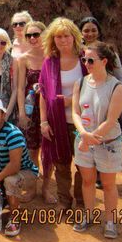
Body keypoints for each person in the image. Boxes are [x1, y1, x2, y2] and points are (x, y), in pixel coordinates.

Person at [72, 42, 122, 239]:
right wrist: (83, 135)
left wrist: (89, 138)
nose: (86, 63)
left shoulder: (116, 87)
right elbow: (76, 112)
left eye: (91, 60)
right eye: (84, 59)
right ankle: (88, 215)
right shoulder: (81, 82)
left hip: (107, 143)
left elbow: (111, 120)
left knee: (109, 184)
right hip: (84, 140)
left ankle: (110, 221)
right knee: (87, 181)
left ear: (104, 61)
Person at [39, 17, 87, 210]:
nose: (63, 40)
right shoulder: (50, 62)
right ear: (53, 39)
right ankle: (64, 201)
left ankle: (82, 201)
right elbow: (42, 94)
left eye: (66, 35)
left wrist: (72, 101)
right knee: (60, 163)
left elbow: (96, 87)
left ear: (74, 36)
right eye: (58, 36)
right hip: (56, 121)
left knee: (84, 164)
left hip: (82, 122)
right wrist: (43, 122)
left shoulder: (85, 59)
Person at [0, 97, 39, 237]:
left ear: (3, 115)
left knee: (10, 181)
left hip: (25, 172)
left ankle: (15, 219)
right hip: (2, 171)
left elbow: (15, 166)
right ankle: (6, 199)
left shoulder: (13, 134)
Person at [16, 21, 56, 203]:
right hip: (31, 109)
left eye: (36, 34)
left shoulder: (53, 56)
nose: (32, 38)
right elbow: (19, 88)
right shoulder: (23, 58)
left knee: (49, 151)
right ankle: (32, 188)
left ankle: (46, 188)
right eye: (28, 35)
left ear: (44, 34)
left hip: (51, 109)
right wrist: (22, 114)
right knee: (32, 150)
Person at [78, 17, 122, 86]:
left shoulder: (108, 51)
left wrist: (116, 93)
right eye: (86, 31)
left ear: (99, 33)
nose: (90, 34)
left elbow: (121, 78)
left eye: (94, 30)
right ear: (80, 33)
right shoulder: (77, 52)